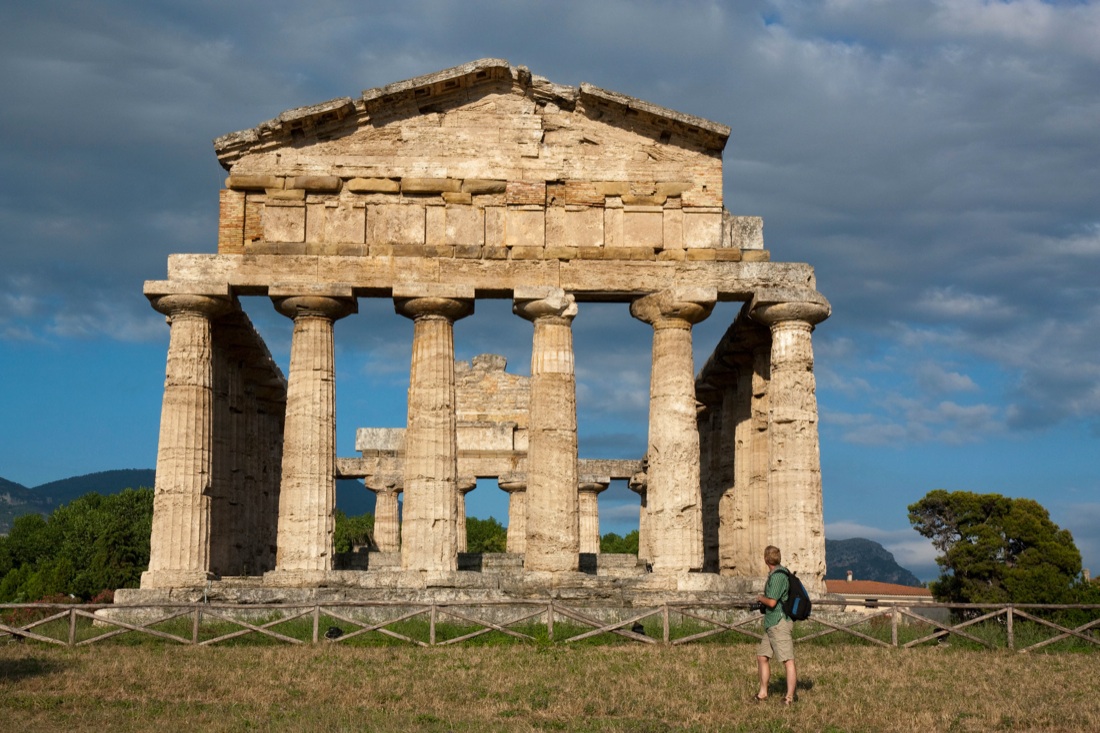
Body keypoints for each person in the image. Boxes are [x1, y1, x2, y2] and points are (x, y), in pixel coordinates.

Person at [754, 544, 797, 705]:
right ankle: (763, 693)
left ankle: (789, 698)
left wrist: (760, 598)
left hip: (779, 622)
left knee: (788, 660)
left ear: (766, 559)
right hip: (771, 623)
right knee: (762, 656)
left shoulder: (779, 576)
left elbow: (772, 602)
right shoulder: (774, 574)